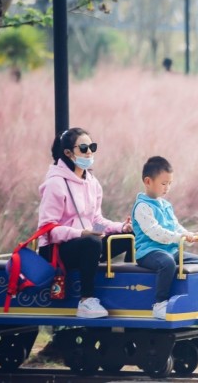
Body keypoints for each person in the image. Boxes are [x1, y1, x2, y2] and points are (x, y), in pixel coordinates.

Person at [37, 127, 134, 319]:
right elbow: (47, 231)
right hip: (56, 250)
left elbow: (96, 221)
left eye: (92, 146)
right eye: (83, 147)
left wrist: (121, 227)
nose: (89, 151)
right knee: (92, 243)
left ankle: (131, 289)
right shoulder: (55, 183)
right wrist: (81, 234)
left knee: (129, 237)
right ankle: (86, 301)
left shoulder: (92, 182)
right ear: (68, 152)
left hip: (87, 243)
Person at [131, 156, 198, 320]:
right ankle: (160, 303)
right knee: (167, 263)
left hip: (169, 250)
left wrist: (188, 235)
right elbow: (155, 232)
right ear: (148, 181)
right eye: (163, 183)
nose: (167, 188)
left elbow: (175, 226)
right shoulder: (143, 206)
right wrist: (179, 237)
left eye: (170, 183)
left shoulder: (165, 205)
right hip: (149, 252)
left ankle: (187, 298)